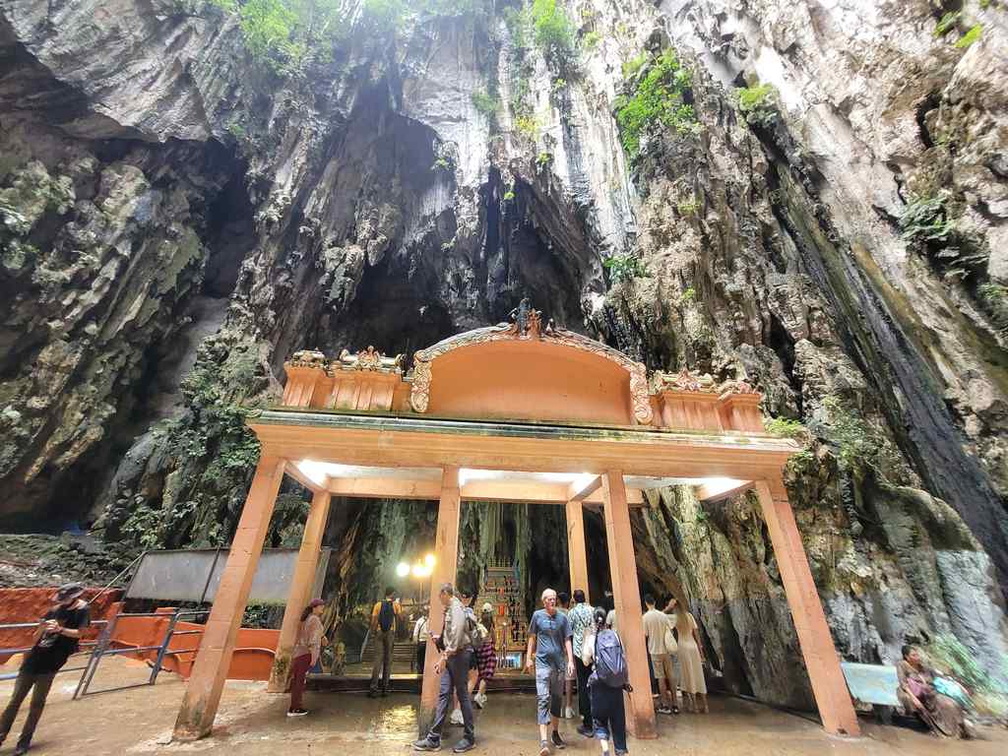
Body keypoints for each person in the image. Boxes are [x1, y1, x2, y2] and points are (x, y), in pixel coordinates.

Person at [1, 582, 90, 755]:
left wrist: (60, 629)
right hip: (33, 660)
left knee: (37, 703)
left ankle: (24, 742)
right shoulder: (55, 610)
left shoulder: (83, 610)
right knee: (15, 700)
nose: (61, 602)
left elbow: (81, 633)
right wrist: (41, 627)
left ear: (74, 598)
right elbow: (35, 638)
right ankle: (1, 734)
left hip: (52, 662)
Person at [413, 583, 476, 753]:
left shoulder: (456, 609)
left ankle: (469, 737)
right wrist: (439, 638)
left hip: (459, 655)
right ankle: (434, 738)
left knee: (462, 695)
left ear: (446, 594)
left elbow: (456, 638)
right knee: (443, 694)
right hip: (452, 655)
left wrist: (444, 657)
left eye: (440, 596)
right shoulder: (450, 609)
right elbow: (450, 635)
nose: (439, 599)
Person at [525, 588, 575, 756]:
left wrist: (571, 661)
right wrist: (528, 658)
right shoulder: (537, 616)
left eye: (554, 598)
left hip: (559, 665)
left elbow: (567, 639)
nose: (553, 601)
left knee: (556, 699)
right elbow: (532, 637)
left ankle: (555, 732)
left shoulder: (563, 618)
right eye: (549, 599)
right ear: (543, 601)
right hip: (542, 664)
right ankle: (544, 741)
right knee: (543, 698)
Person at [581, 607, 629, 756]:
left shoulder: (591, 638)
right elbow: (623, 657)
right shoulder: (615, 635)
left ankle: (605, 750)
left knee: (599, 719)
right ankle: (620, 750)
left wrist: (585, 642)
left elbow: (585, 661)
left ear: (593, 621)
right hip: (616, 682)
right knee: (618, 718)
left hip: (599, 683)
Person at [897, 644, 970, 738]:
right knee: (916, 703)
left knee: (950, 704)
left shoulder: (922, 666)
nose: (917, 657)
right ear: (907, 657)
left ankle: (958, 729)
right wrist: (914, 698)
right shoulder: (902, 665)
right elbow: (903, 684)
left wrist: (958, 685)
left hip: (931, 693)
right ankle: (943, 731)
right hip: (913, 693)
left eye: (917, 655)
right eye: (914, 655)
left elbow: (940, 676)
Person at [665, 597, 707, 713]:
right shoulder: (689, 616)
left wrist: (668, 608)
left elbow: (661, 617)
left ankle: (694, 706)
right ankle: (705, 705)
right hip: (693, 646)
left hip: (683, 647)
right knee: (698, 674)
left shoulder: (675, 618)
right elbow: (697, 634)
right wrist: (701, 651)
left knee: (688, 675)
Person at [288, 598, 325, 716]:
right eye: (321, 606)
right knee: (300, 681)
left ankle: (294, 706)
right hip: (306, 653)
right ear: (315, 607)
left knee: (297, 680)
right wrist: (314, 657)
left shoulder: (307, 619)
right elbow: (313, 640)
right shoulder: (314, 620)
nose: (322, 608)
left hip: (299, 653)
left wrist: (323, 637)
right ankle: (296, 708)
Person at [642, 595, 678, 715]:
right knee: (671, 676)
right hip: (666, 649)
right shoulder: (662, 615)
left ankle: (665, 705)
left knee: (660, 678)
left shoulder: (645, 617)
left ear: (646, 603)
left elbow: (645, 634)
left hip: (654, 650)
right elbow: (670, 628)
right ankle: (675, 704)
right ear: (655, 601)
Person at [567, 589, 595, 738]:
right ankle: (599, 721)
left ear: (574, 599)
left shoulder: (571, 613)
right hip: (592, 650)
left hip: (579, 651)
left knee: (583, 685)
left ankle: (587, 724)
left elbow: (569, 632)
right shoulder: (593, 610)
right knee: (595, 684)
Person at [369, 586, 401, 697]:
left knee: (377, 661)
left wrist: (373, 632)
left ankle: (373, 689)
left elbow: (373, 620)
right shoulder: (395, 605)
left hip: (379, 632)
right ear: (392, 594)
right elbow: (400, 618)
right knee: (388, 662)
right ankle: (385, 689)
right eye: (394, 594)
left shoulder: (378, 605)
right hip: (390, 633)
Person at [471, 602, 497, 709]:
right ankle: (479, 694)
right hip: (488, 649)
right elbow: (494, 639)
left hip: (478, 650)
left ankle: (482, 695)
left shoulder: (478, 623)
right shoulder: (491, 625)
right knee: (487, 674)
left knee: (482, 673)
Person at [557, 592, 575, 719]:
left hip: (555, 648)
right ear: (567, 602)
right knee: (569, 679)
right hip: (567, 648)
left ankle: (557, 708)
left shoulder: (553, 613)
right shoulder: (569, 614)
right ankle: (568, 708)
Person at [413, 607, 430, 676]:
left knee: (420, 660)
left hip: (421, 643)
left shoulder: (419, 621)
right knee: (428, 660)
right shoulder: (431, 620)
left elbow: (415, 633)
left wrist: (415, 642)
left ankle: (420, 674)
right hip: (429, 643)